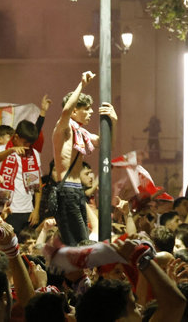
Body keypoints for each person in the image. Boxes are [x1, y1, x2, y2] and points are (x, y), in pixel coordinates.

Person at [52, 70, 116, 246]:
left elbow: (106, 145)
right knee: (80, 242)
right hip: (67, 190)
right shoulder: (63, 128)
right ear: (74, 111)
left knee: (81, 241)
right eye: (86, 109)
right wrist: (82, 84)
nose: (90, 112)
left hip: (76, 191)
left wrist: (114, 121)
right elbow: (65, 110)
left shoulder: (82, 133)